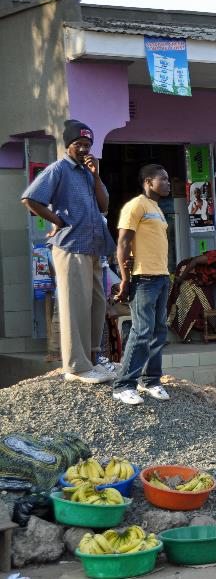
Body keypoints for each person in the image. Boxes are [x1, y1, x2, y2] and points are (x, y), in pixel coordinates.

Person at [21, 120, 116, 384]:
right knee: (75, 306)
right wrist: (57, 219)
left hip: (94, 247)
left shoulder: (88, 172)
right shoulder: (59, 169)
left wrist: (96, 175)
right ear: (68, 145)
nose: (84, 149)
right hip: (71, 246)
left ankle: (93, 359)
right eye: (79, 145)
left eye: (88, 145)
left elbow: (104, 205)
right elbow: (30, 198)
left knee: (97, 305)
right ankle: (76, 367)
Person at [111, 164, 172, 405]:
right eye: (163, 179)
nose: (168, 183)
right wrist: (125, 278)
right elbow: (123, 244)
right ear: (148, 181)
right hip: (143, 277)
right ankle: (124, 384)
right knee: (142, 330)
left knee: (159, 330)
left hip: (161, 276)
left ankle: (151, 380)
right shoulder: (135, 206)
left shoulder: (156, 208)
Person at [167, 243, 216, 341]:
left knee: (207, 307)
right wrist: (181, 279)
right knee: (189, 301)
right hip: (189, 273)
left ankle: (208, 334)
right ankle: (184, 334)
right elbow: (195, 261)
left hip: (203, 282)